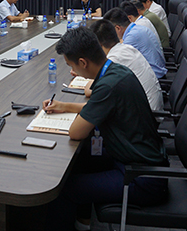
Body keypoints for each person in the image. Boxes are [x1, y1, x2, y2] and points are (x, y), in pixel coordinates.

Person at [42, 28, 168, 231]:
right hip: (136, 159)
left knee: (64, 188)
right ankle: (83, 223)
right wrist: (64, 106)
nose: (72, 72)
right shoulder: (115, 71)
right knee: (81, 159)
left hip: (141, 178)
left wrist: (72, 112)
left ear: (83, 62)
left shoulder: (108, 85)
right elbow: (99, 106)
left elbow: (76, 132)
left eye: (71, 66)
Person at [90, 19, 163, 111]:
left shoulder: (115, 58)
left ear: (99, 45)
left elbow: (91, 91)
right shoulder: (126, 48)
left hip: (147, 111)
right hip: (151, 105)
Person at [106, 6, 167, 79]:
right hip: (157, 72)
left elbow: (114, 59)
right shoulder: (138, 28)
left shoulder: (133, 36)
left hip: (155, 75)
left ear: (118, 28)